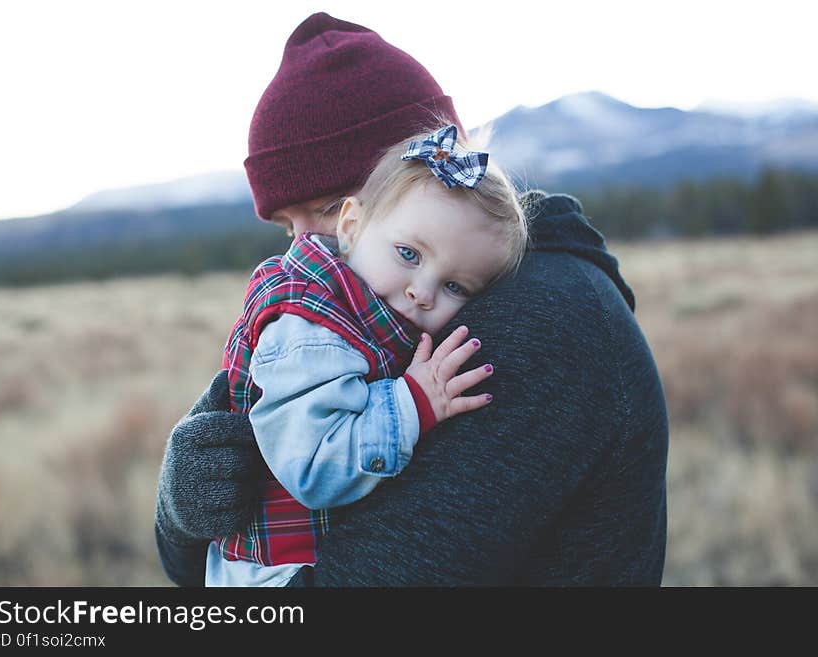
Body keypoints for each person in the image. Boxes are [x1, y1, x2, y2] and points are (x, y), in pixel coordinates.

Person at [155, 12, 669, 586]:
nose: (304, 250)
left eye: (326, 209)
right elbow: (194, 565)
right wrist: (184, 508)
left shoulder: (536, 322)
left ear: (427, 171)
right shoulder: (367, 313)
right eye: (285, 227)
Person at [209, 124, 528, 586]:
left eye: (455, 286)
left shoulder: (370, 310)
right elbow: (315, 467)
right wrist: (413, 403)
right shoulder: (309, 329)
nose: (422, 292)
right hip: (275, 575)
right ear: (351, 226)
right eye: (408, 254)